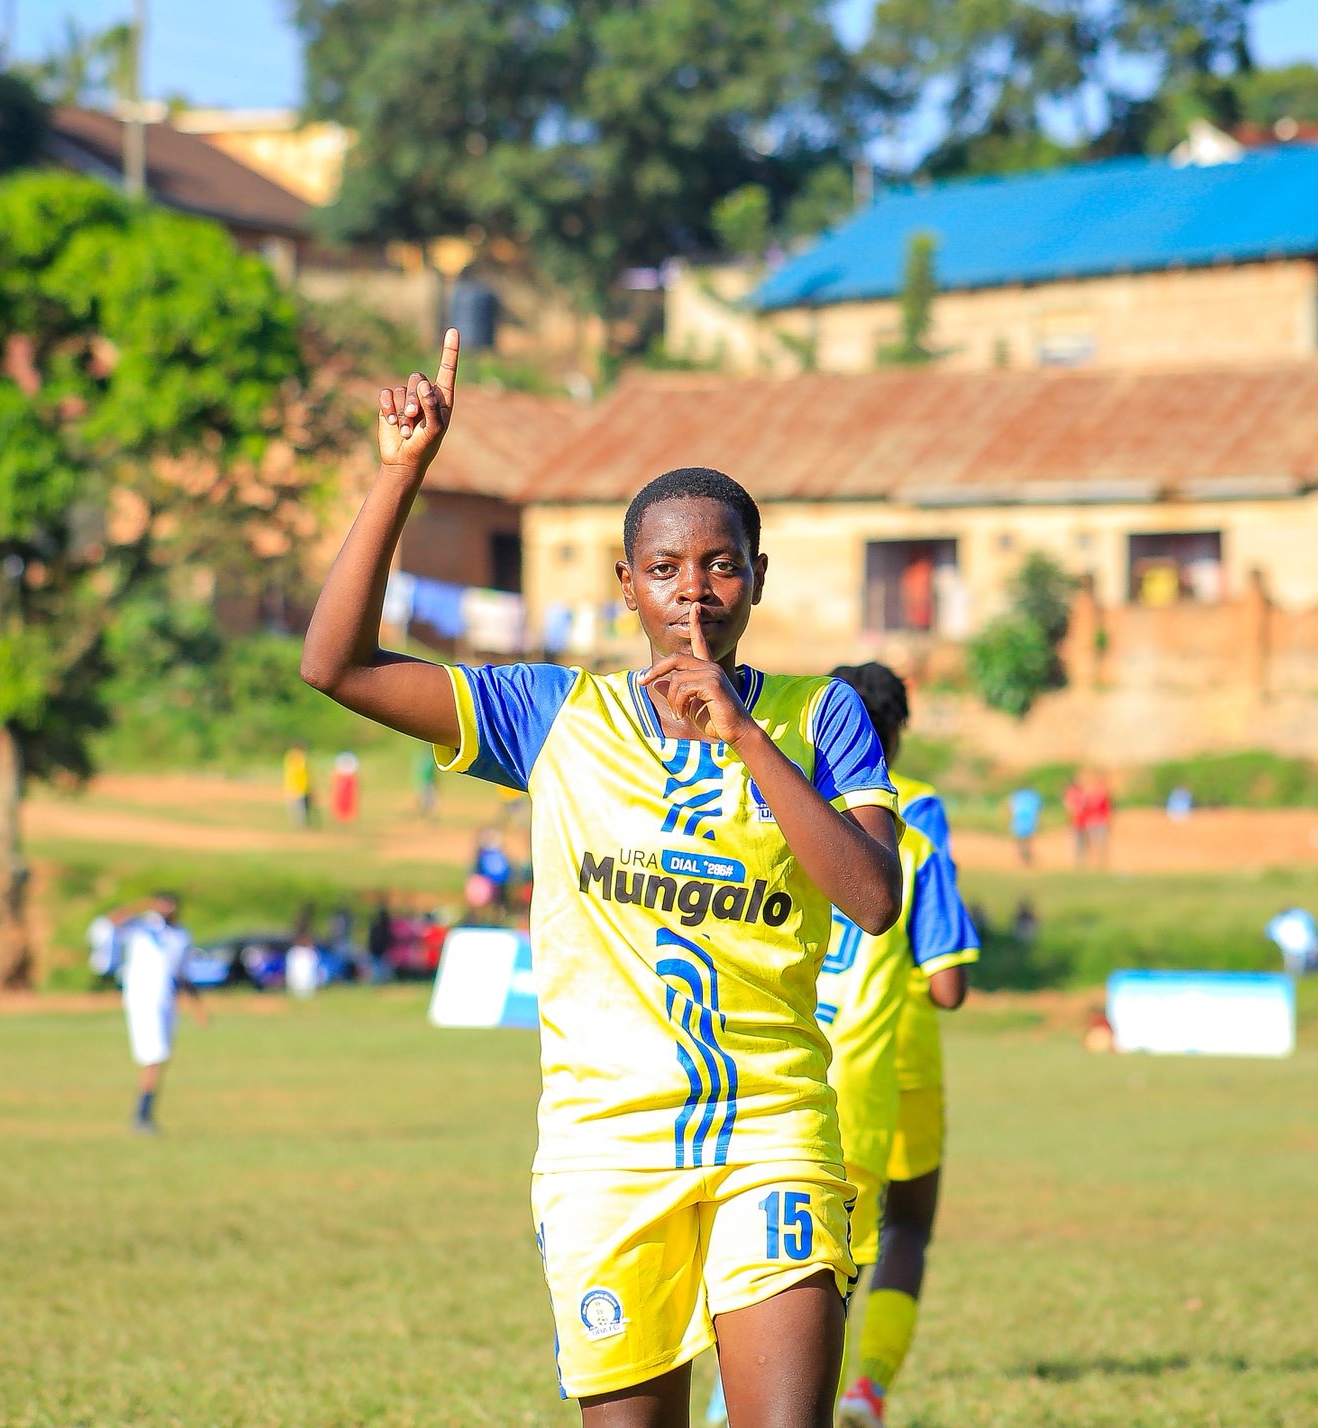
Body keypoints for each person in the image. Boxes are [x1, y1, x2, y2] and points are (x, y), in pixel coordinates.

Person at [297, 331, 903, 1427]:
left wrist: (747, 740)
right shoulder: (552, 716)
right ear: (625, 586)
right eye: (664, 569)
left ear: (757, 578)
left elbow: (870, 898)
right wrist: (401, 474)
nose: (694, 592)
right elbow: (334, 665)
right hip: (602, 1149)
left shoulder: (820, 715)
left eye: (721, 564)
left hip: (773, 1132)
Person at [829, 664, 979, 1428]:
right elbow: (944, 976)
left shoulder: (777, 798)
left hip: (792, 1045)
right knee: (902, 1228)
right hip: (897, 1042)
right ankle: (867, 1386)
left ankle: (740, 1387)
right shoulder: (914, 810)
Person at [114, 892, 210, 1134]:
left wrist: (197, 1007)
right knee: (154, 1057)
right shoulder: (142, 928)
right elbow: (113, 921)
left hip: (168, 1001)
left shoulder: (181, 936)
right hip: (143, 1001)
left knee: (160, 1057)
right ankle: (142, 1117)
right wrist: (143, 904)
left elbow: (182, 973)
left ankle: (144, 1114)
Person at [1063, 770, 1112, 868]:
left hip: (1094, 822)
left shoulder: (1097, 795)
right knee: (1088, 844)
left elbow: (1106, 809)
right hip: (1087, 823)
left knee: (1097, 844)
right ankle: (1087, 863)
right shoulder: (1085, 795)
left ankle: (1100, 863)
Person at [474, 827, 513, 916]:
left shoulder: (488, 854)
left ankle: (498, 911)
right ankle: (498, 911)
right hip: (496, 880)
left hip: (497, 880)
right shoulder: (493, 854)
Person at [1005, 786, 1041, 866]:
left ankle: (1023, 857)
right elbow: (1038, 808)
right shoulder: (1033, 795)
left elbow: (1010, 806)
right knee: (1028, 840)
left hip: (1018, 819)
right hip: (1030, 819)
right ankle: (1027, 857)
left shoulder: (1016, 795)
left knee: (1019, 840)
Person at [284, 742, 314, 826]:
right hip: (300, 786)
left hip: (291, 785)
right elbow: (304, 772)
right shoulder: (301, 757)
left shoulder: (289, 756)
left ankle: (298, 824)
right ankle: (303, 825)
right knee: (302, 808)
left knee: (294, 807)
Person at [415, 743, 440, 821]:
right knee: (430, 799)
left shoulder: (421, 759)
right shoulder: (428, 760)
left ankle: (425, 814)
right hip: (428, 783)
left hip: (425, 782)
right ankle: (426, 814)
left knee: (426, 799)